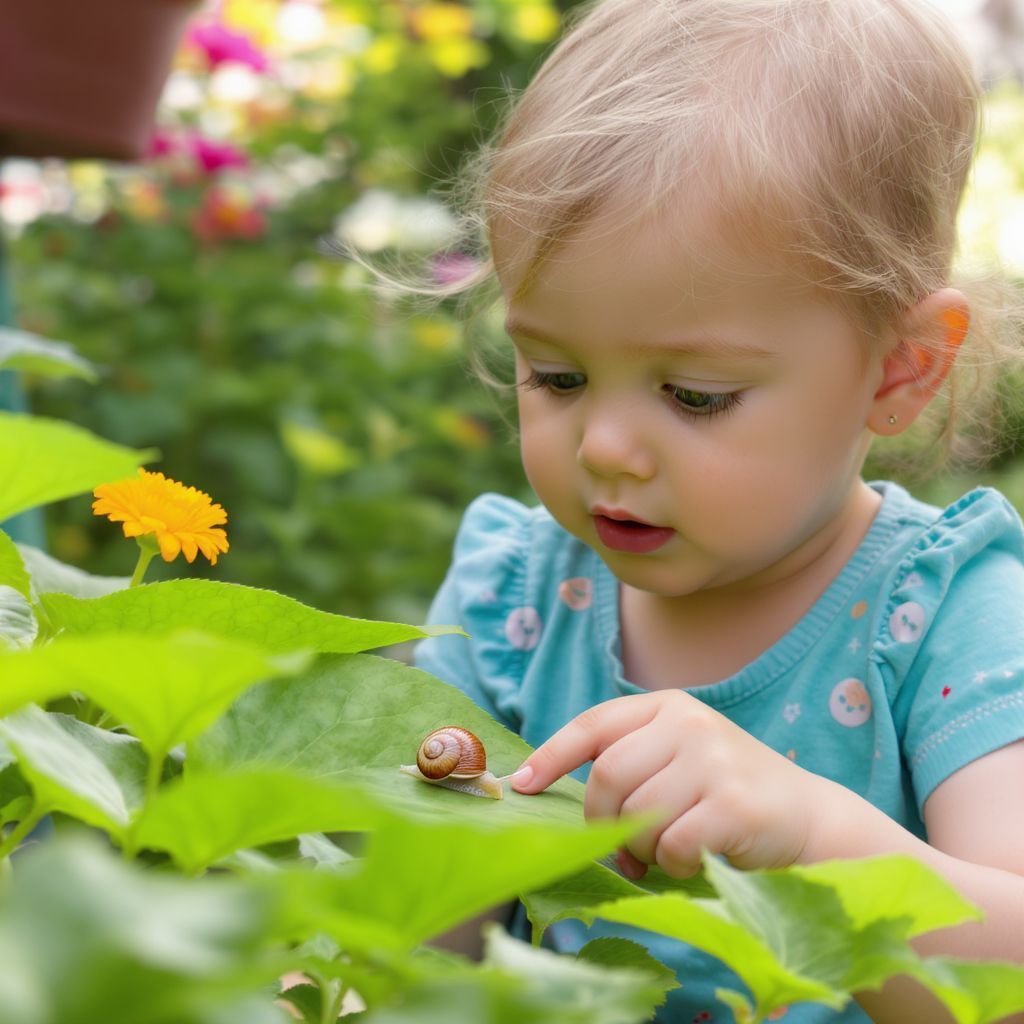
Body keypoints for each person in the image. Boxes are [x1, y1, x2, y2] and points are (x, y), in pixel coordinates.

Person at [407, 0, 1024, 1020]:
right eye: (556, 375)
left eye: (694, 394)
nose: (603, 444)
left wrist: (813, 839)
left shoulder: (948, 618)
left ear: (898, 370)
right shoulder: (517, 597)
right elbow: (407, 925)